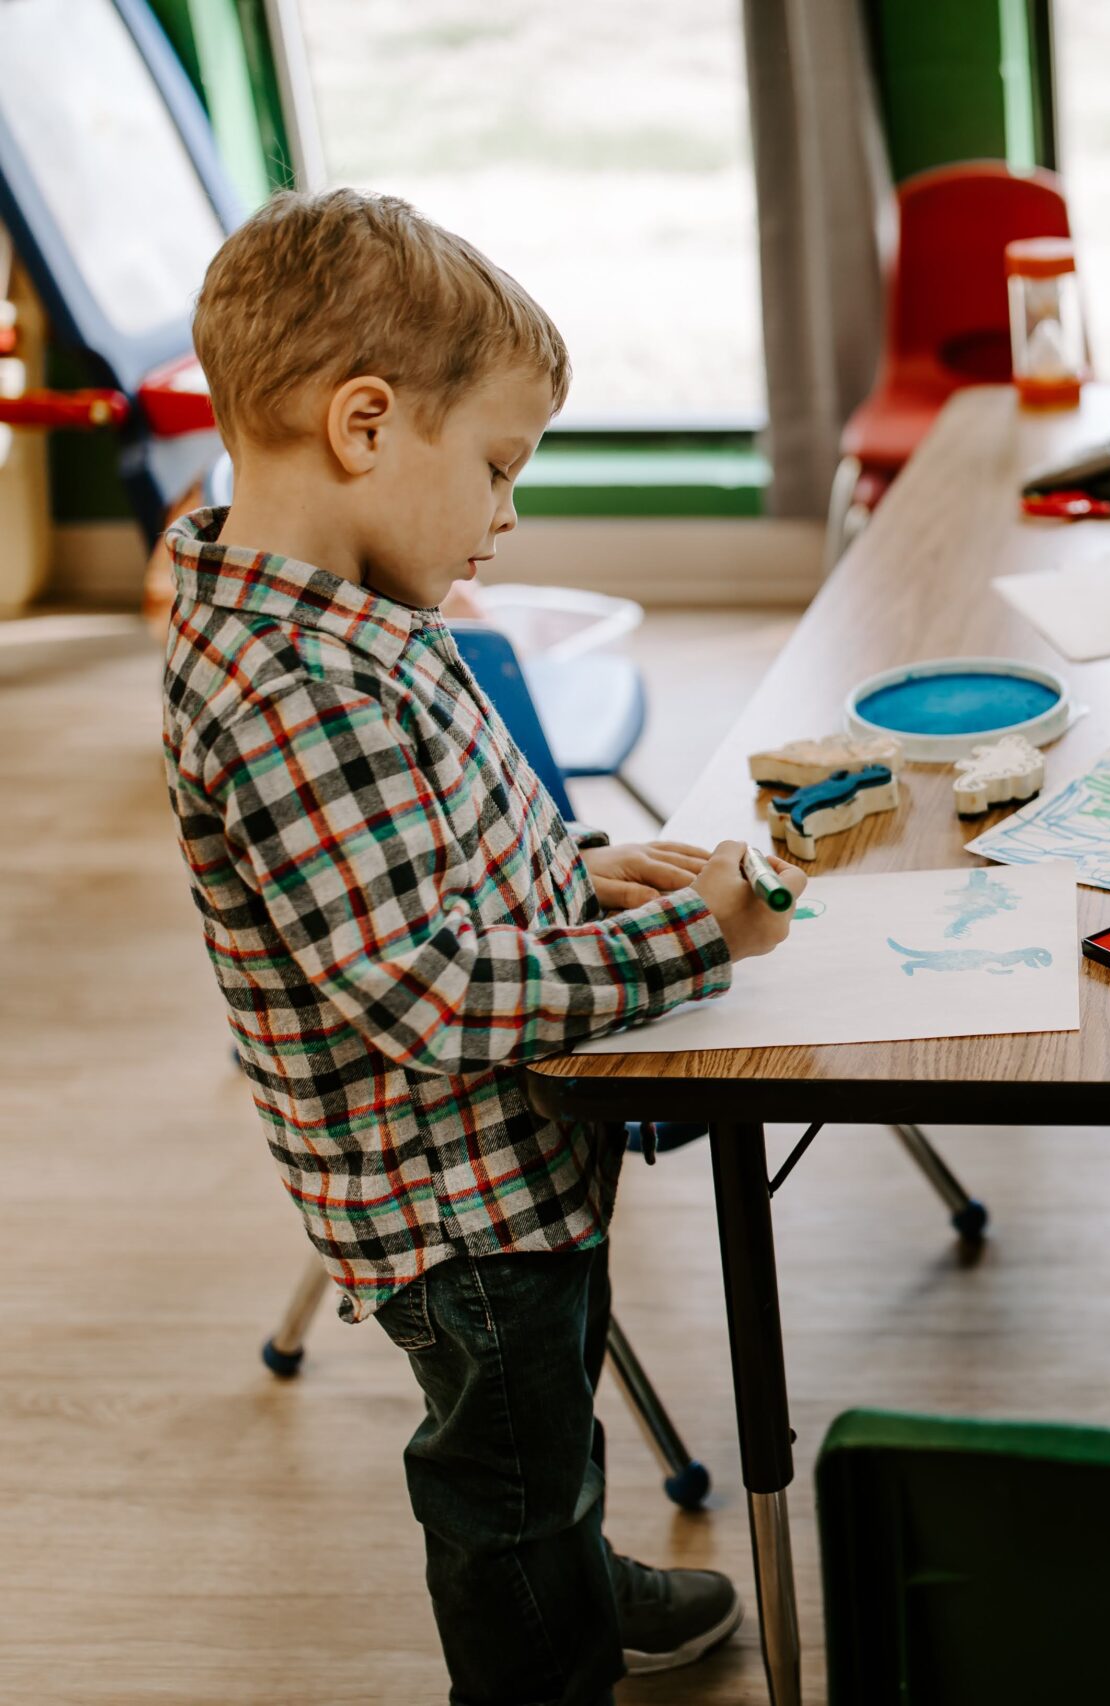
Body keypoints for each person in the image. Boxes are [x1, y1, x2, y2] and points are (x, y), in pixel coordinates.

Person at [161, 188, 803, 1703]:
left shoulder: (349, 616)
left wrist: (586, 872)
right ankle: (545, 1633)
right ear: (366, 425)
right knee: (501, 1474)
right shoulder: (289, 693)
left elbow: (438, 862)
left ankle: (568, 1565)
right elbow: (431, 986)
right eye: (501, 467)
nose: (508, 516)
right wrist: (694, 940)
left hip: (499, 1170)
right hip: (455, 1210)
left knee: (543, 1425)